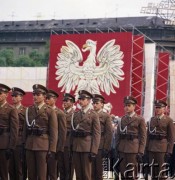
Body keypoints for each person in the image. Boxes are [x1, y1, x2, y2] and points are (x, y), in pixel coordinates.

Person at [23, 84, 58, 180]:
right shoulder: (29, 110)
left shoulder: (50, 111)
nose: (35, 97)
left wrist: (52, 150)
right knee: (31, 174)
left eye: (38, 94)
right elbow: (26, 129)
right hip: (30, 145)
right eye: (34, 94)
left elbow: (53, 132)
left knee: (42, 174)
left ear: (44, 96)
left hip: (43, 146)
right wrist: (24, 144)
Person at [71, 90, 101, 180]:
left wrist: (94, 151)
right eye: (79, 99)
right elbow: (73, 132)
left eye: (83, 99)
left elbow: (96, 134)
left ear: (88, 101)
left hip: (87, 147)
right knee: (78, 174)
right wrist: (71, 146)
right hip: (76, 146)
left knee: (87, 174)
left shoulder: (93, 115)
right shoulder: (76, 114)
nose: (80, 101)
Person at [115, 96, 146, 180]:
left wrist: (141, 151)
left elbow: (143, 136)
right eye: (125, 105)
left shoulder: (139, 119)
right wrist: (116, 147)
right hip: (122, 149)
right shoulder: (122, 119)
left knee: (132, 174)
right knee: (123, 173)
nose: (126, 107)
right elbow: (118, 135)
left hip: (133, 150)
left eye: (129, 105)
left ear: (134, 106)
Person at [146, 100, 175, 179]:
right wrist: (146, 148)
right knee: (152, 171)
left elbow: (171, 137)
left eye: (159, 107)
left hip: (162, 149)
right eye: (156, 107)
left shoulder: (168, 120)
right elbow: (148, 135)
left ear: (164, 109)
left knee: (161, 171)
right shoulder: (152, 120)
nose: (157, 109)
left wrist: (169, 151)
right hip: (151, 148)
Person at [45, 89, 67, 180]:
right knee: (43, 172)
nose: (46, 100)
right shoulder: (44, 111)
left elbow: (62, 133)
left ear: (55, 99)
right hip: (43, 144)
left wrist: (60, 149)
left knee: (53, 172)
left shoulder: (60, 113)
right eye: (46, 98)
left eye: (49, 98)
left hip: (54, 147)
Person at [91, 94, 113, 180]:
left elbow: (109, 133)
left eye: (97, 103)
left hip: (100, 146)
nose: (94, 105)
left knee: (99, 171)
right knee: (90, 171)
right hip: (90, 145)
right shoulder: (90, 114)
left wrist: (106, 148)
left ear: (102, 104)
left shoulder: (106, 116)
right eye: (93, 103)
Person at [0, 83, 19, 180]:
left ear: (6, 95)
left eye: (0, 93)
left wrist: (11, 147)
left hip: (4, 144)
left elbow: (14, 130)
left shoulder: (11, 109)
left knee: (4, 173)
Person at [9, 87, 26, 180]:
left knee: (19, 168)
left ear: (21, 98)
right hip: (9, 141)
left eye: (16, 96)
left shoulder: (25, 110)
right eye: (12, 96)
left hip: (19, 142)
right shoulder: (9, 109)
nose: (13, 98)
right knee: (10, 168)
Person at [58, 93, 76, 180]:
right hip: (60, 143)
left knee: (68, 168)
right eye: (64, 100)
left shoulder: (74, 114)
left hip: (69, 143)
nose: (64, 102)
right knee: (61, 168)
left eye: (66, 101)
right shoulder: (60, 113)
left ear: (72, 103)